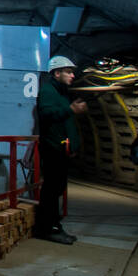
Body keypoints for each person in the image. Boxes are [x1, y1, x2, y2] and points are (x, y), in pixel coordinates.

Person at [34, 55, 87, 243]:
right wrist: (70, 110)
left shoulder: (62, 93)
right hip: (52, 148)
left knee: (56, 188)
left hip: (61, 149)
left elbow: (66, 123)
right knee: (51, 189)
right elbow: (46, 114)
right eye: (68, 72)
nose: (72, 75)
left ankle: (52, 225)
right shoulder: (49, 91)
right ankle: (46, 228)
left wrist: (73, 145)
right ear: (57, 73)